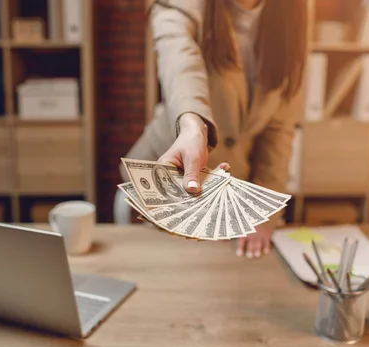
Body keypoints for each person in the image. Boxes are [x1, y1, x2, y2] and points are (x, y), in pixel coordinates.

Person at [120, 0, 307, 259]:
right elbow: (181, 64)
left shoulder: (292, 17)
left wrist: (264, 216)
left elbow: (278, 131)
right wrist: (192, 124)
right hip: (169, 186)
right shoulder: (182, 5)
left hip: (231, 198)